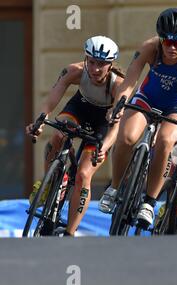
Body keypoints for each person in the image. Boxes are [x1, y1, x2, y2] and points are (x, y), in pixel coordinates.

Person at [99, 8, 177, 231]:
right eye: (168, 42)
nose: (173, 48)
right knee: (127, 137)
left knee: (165, 141)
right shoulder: (149, 48)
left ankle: (149, 202)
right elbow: (130, 81)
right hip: (148, 98)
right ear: (160, 39)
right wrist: (120, 104)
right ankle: (115, 188)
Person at [25, 35, 125, 236]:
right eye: (92, 62)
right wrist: (39, 122)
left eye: (102, 64)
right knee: (58, 134)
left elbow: (116, 126)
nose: (96, 69)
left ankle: (70, 231)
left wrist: (103, 148)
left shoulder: (118, 85)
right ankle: (50, 181)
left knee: (83, 175)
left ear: (111, 64)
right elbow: (52, 98)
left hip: (102, 123)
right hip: (80, 108)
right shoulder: (74, 71)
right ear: (86, 59)